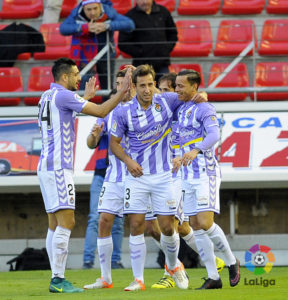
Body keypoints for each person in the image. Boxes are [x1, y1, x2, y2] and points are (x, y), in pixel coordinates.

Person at [37, 57, 131, 293]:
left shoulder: (48, 96)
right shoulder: (64, 96)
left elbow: (65, 112)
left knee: (53, 225)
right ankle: (58, 279)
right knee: (67, 222)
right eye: (77, 73)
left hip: (46, 165)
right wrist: (123, 91)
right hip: (59, 167)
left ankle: (55, 276)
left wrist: (85, 98)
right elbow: (100, 111)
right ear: (65, 77)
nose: (80, 77)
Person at [109, 65, 206, 291]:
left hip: (164, 176)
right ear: (134, 86)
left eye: (151, 84)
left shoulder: (167, 101)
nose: (147, 89)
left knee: (168, 228)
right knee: (135, 225)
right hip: (138, 177)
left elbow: (190, 96)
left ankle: (174, 266)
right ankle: (138, 280)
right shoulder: (123, 111)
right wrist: (129, 161)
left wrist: (201, 99)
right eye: (142, 85)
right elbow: (114, 143)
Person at [174, 69, 240, 289]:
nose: (177, 90)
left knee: (204, 222)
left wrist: (196, 150)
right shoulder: (181, 108)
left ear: (195, 87)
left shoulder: (205, 108)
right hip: (186, 175)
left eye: (181, 86)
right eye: (176, 85)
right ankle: (213, 276)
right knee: (195, 225)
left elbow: (214, 135)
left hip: (205, 173)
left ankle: (232, 261)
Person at [83, 68, 135, 290]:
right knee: (100, 218)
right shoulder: (107, 110)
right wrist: (93, 136)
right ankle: (93, 266)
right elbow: (91, 142)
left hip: (137, 174)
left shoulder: (144, 107)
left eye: (124, 83)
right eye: (117, 83)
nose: (120, 87)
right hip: (108, 173)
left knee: (146, 224)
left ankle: (172, 266)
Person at [60, 0, 135, 96]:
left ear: (100, 6)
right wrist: (84, 27)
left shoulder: (108, 11)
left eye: (95, 8)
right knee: (84, 84)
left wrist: (107, 25)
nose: (92, 13)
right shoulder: (76, 12)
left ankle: (107, 108)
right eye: (89, 9)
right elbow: (63, 28)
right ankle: (82, 109)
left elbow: (130, 24)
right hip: (85, 56)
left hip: (106, 54)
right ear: (83, 8)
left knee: (107, 86)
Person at [118, 0, 178, 82]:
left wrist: (165, 50)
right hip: (140, 65)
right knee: (143, 92)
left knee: (164, 91)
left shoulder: (163, 12)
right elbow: (123, 43)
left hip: (162, 63)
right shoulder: (130, 16)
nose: (145, 2)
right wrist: (140, 52)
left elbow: (173, 34)